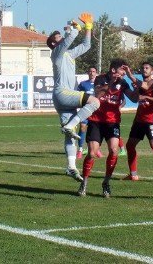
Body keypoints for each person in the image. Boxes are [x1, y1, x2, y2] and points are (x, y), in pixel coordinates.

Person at [47, 12, 100, 182]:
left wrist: (89, 28)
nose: (62, 38)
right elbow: (68, 40)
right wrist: (75, 27)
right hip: (62, 93)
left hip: (63, 98)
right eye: (59, 37)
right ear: (54, 43)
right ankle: (70, 125)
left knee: (70, 137)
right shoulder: (56, 53)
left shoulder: (68, 54)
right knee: (94, 101)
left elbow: (86, 45)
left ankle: (71, 166)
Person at [77, 58, 136, 198]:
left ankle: (106, 182)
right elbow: (98, 94)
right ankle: (84, 182)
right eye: (122, 70)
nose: (123, 73)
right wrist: (111, 83)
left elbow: (134, 98)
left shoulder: (123, 83)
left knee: (114, 150)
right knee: (92, 153)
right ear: (113, 70)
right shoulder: (100, 78)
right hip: (96, 121)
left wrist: (135, 82)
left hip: (112, 122)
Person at [122, 62, 153, 180]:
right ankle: (133, 175)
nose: (144, 70)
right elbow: (135, 99)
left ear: (152, 71)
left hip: (151, 120)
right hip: (139, 120)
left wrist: (147, 97)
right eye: (143, 68)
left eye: (147, 68)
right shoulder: (140, 84)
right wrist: (130, 90)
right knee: (130, 146)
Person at [76, 66, 98, 159]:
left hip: (96, 111)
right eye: (90, 71)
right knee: (82, 128)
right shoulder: (83, 84)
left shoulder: (100, 84)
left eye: (93, 71)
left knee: (95, 130)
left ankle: (96, 150)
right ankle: (80, 149)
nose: (92, 73)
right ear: (88, 73)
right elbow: (77, 95)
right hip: (85, 110)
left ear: (96, 73)